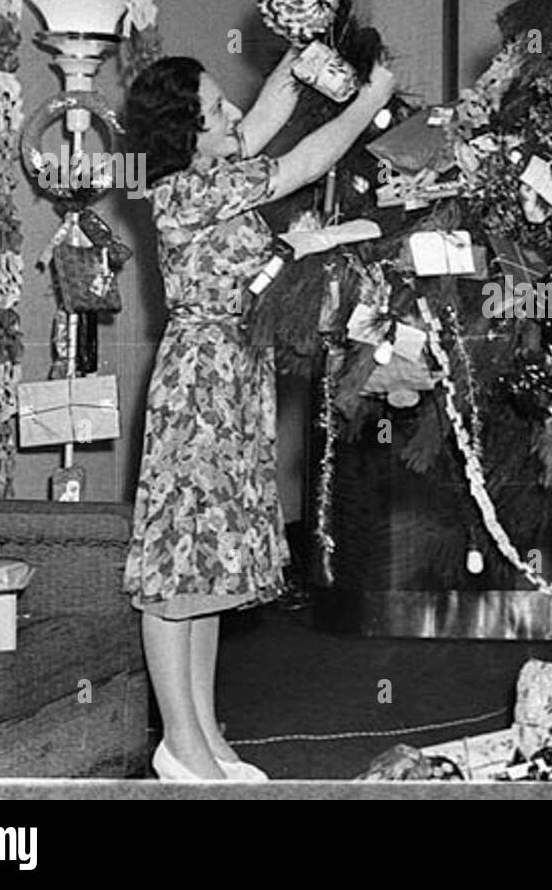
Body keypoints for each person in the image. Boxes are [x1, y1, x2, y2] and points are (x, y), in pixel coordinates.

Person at [123, 48, 396, 780]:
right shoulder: (181, 193)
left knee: (210, 566)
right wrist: (372, 100)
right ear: (187, 137)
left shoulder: (212, 174)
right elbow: (301, 160)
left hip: (236, 379)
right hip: (199, 387)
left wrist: (294, 60)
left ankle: (204, 731)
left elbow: (261, 125)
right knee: (175, 570)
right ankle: (177, 742)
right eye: (214, 112)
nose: (231, 115)